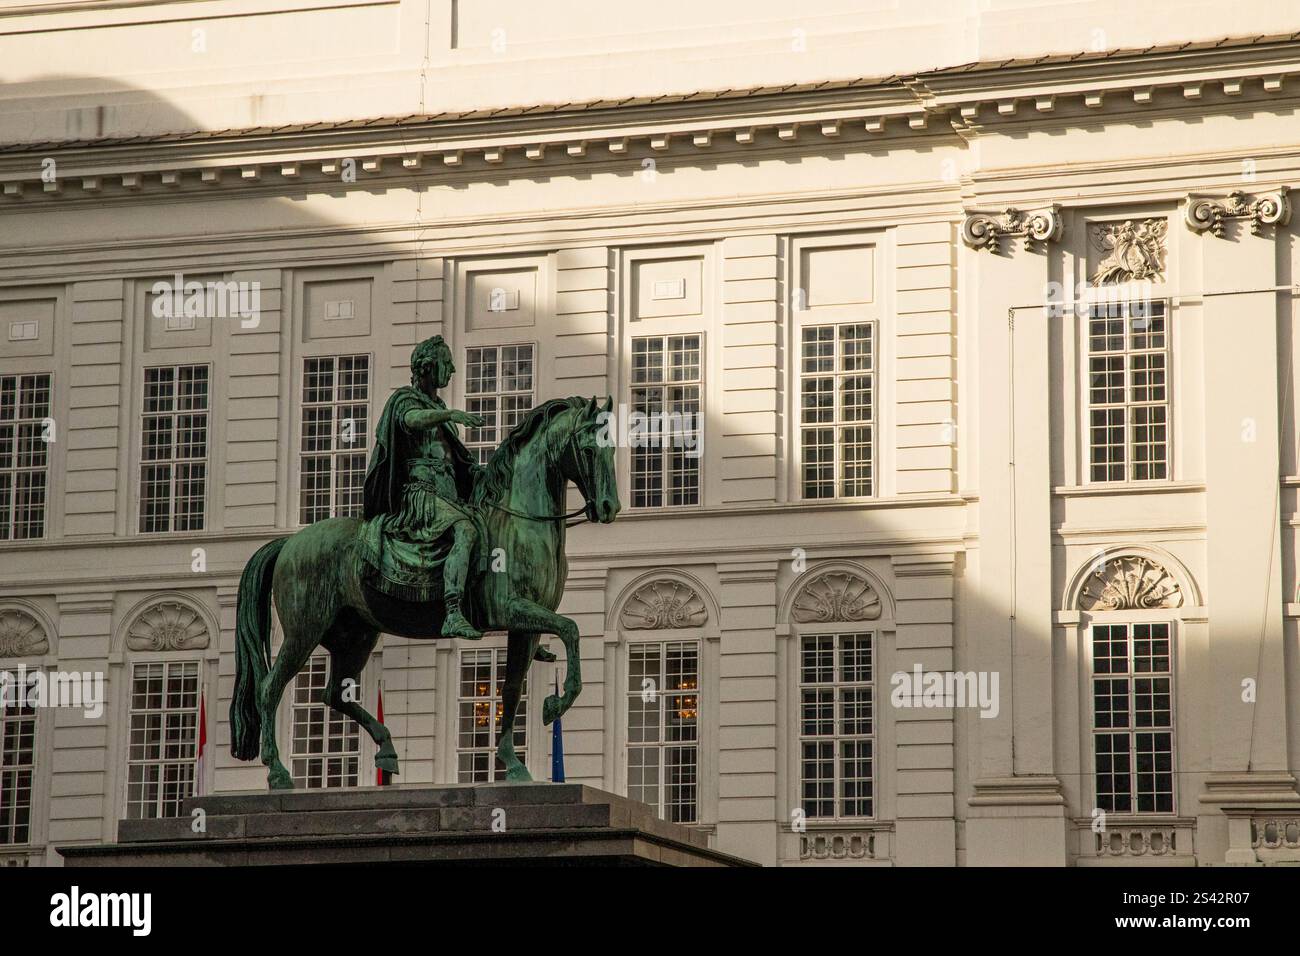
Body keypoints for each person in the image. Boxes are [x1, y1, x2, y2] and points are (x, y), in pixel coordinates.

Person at [362, 335, 488, 639]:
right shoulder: (405, 400)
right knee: (466, 531)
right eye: (448, 363)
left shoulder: (437, 405)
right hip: (420, 493)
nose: (454, 369)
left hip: (448, 494)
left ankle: (502, 614)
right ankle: (453, 613)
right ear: (429, 367)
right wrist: (449, 414)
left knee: (492, 529)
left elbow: (457, 461)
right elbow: (412, 421)